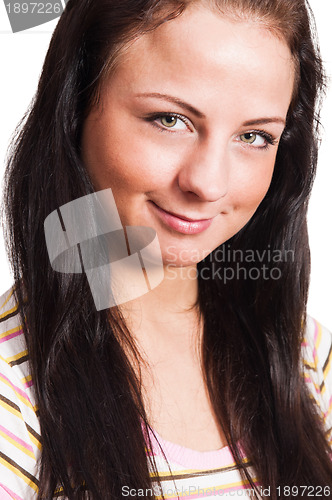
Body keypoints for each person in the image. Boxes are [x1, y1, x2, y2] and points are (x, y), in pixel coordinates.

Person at [0, 0, 332, 498]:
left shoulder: (304, 352)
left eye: (254, 136)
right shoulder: (14, 388)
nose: (208, 183)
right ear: (74, 108)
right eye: (169, 120)